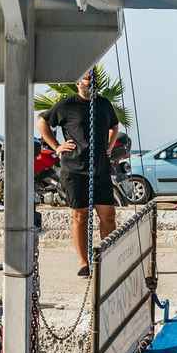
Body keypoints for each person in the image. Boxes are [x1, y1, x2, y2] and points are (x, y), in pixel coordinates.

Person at [37, 69, 119, 277]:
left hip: (100, 167)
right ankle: (84, 263)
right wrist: (56, 146)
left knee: (108, 215)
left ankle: (108, 259)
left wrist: (109, 146)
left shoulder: (103, 104)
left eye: (92, 80)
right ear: (78, 83)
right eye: (85, 79)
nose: (89, 83)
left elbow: (114, 125)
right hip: (74, 169)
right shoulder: (67, 105)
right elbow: (43, 121)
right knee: (80, 215)